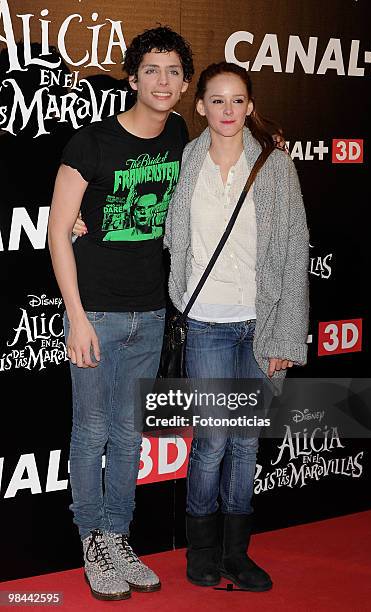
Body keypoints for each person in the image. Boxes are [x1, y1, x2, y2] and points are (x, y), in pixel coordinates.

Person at [48, 26, 193, 601]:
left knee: (130, 434)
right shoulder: (92, 143)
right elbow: (59, 231)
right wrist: (75, 315)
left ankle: (118, 535)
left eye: (173, 71)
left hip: (151, 311)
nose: (163, 81)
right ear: (132, 78)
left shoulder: (180, 133)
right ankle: (92, 542)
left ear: (184, 85)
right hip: (98, 312)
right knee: (91, 431)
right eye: (151, 70)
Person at [164, 62, 309, 592]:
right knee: (212, 441)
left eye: (238, 100)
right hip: (205, 324)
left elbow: (295, 254)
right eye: (217, 100)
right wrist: (85, 219)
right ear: (199, 106)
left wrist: (286, 338)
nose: (228, 111)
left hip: (260, 325)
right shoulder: (186, 160)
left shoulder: (275, 165)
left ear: (250, 106)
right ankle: (200, 551)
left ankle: (236, 554)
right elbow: (163, 229)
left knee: (246, 443)